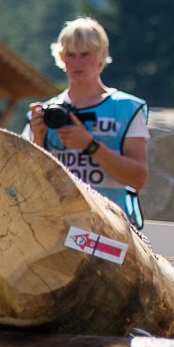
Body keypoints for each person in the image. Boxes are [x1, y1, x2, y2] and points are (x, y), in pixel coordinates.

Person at [25, 17, 150, 229]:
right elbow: (25, 182)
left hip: (111, 228)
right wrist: (38, 138)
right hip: (57, 227)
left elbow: (138, 178)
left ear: (101, 57)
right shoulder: (47, 112)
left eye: (84, 55)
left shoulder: (126, 108)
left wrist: (90, 145)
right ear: (61, 58)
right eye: (70, 55)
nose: (77, 63)